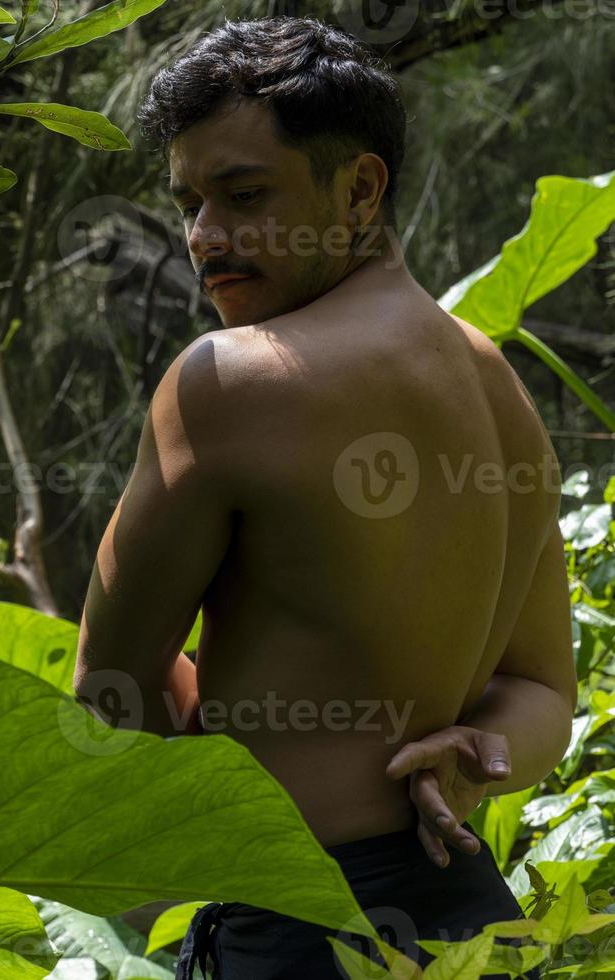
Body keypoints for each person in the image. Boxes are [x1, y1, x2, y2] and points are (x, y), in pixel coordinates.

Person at [75, 15, 578, 979]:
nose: (204, 238)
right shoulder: (501, 391)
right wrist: (474, 754)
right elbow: (544, 692)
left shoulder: (228, 382)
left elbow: (110, 692)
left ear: (358, 189)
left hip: (304, 932)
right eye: (188, 202)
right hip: (481, 928)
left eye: (245, 195)